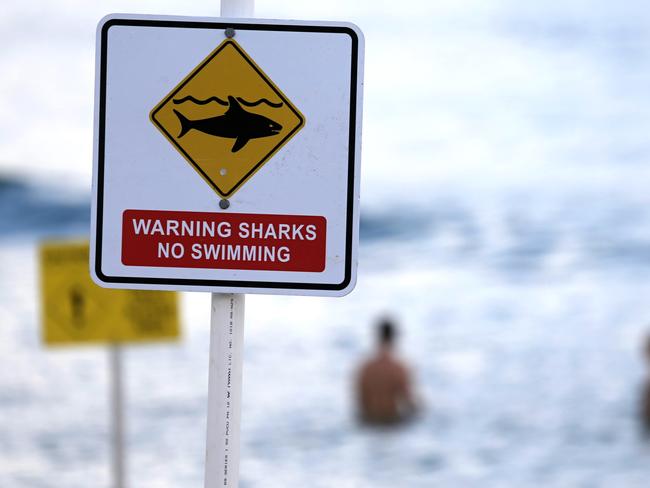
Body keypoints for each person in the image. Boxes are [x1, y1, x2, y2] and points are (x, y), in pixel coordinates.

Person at [356, 317, 417, 425]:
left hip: (370, 423)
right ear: (394, 337)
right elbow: (410, 403)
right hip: (391, 422)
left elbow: (361, 404)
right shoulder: (398, 368)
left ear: (377, 337)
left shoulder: (365, 369)